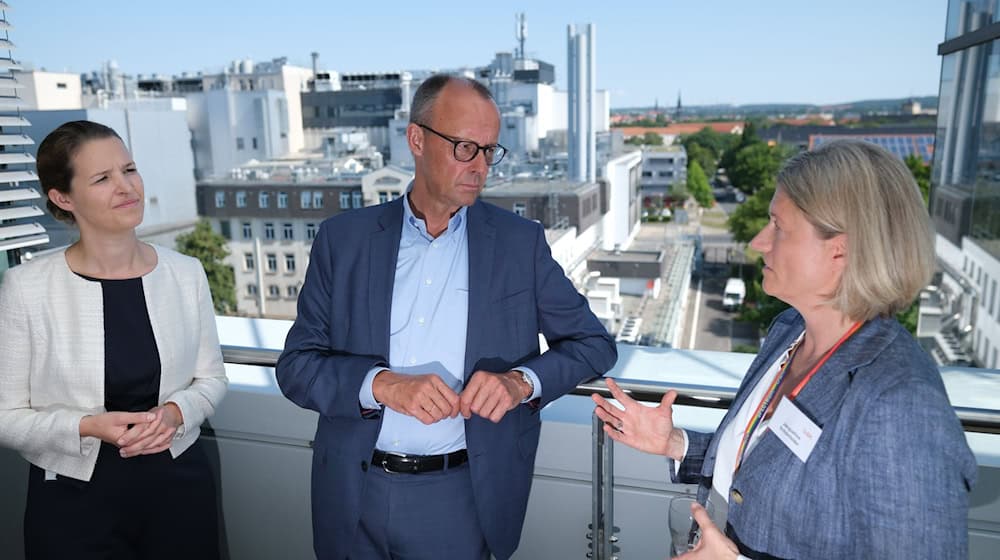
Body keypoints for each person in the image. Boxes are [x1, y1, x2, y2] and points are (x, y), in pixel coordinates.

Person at [277, 74, 617, 560]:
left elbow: (595, 344)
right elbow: (296, 368)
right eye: (464, 148)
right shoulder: (342, 240)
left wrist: (520, 383)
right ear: (416, 139)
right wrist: (380, 385)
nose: (480, 166)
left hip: (462, 499)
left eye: (489, 150)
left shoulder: (520, 244)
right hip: (353, 494)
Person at [593, 140, 977, 559]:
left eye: (778, 225)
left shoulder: (900, 406)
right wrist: (676, 443)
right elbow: (772, 467)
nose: (759, 242)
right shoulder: (790, 330)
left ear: (841, 249)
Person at [0, 120, 228, 559]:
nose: (127, 187)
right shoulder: (26, 288)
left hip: (178, 486)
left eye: (130, 169)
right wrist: (85, 426)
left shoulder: (185, 273)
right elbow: (6, 416)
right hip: (72, 499)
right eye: (103, 178)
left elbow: (212, 378)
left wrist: (178, 411)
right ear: (63, 198)